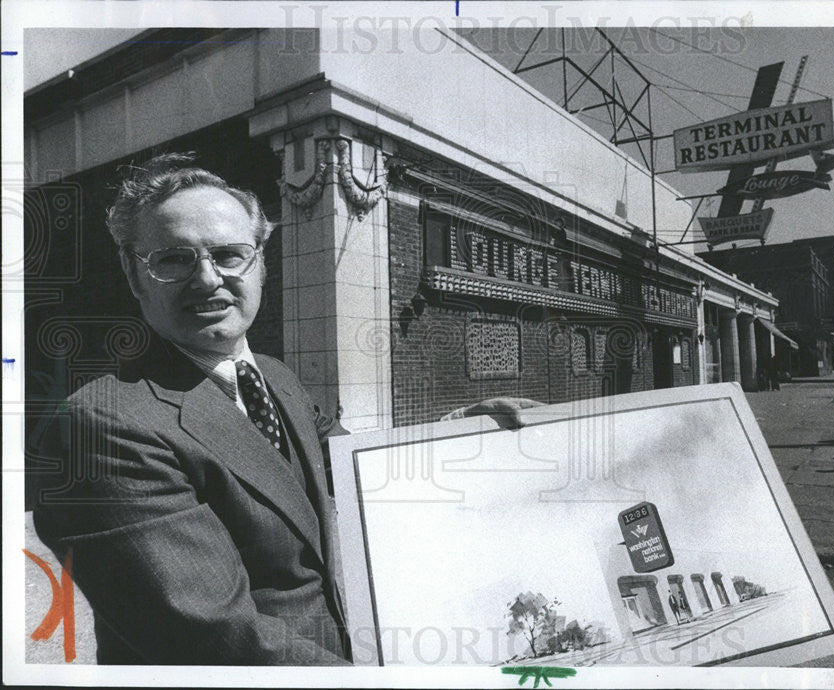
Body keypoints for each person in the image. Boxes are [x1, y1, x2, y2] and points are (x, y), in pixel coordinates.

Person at [32, 154, 535, 665]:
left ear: (261, 263)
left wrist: (461, 430)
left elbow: (348, 459)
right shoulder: (102, 425)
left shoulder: (275, 376)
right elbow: (214, 640)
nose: (207, 279)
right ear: (135, 275)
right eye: (173, 259)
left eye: (229, 255)